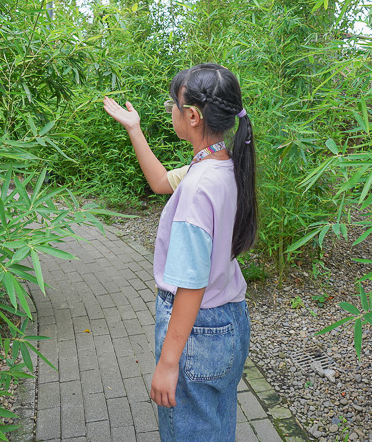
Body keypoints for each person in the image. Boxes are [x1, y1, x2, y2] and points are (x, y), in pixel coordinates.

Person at [102, 62, 257, 441]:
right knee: (218, 430)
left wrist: (169, 363)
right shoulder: (225, 165)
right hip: (230, 322)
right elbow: (158, 182)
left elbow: (190, 284)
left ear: (191, 115)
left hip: (197, 333)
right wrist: (134, 129)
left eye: (173, 103)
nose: (170, 110)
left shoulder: (197, 188)